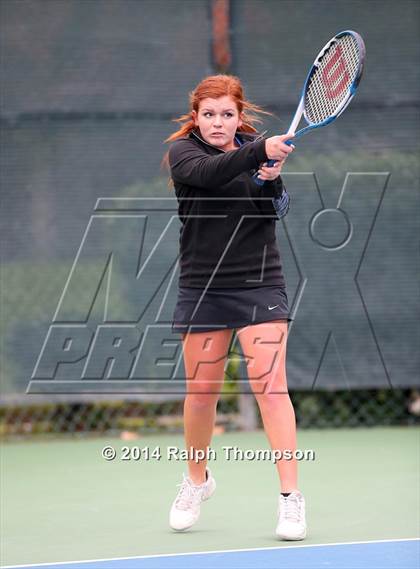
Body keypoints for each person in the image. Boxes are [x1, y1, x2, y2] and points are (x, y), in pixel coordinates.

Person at [164, 74, 306, 540]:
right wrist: (259, 153)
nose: (218, 123)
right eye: (209, 114)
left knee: (271, 388)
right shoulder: (184, 153)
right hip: (202, 286)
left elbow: (275, 210)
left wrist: (272, 180)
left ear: (239, 116)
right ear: (196, 117)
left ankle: (291, 501)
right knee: (202, 394)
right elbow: (211, 175)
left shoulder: (258, 153)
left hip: (259, 282)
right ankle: (196, 481)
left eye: (227, 114)